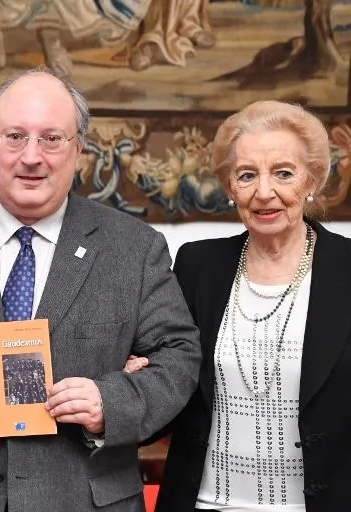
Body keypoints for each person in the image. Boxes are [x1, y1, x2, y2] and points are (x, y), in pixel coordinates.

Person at [0, 68, 202, 512]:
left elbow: (178, 356)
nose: (32, 157)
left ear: (78, 149)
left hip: (85, 500)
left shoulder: (135, 248)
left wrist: (110, 402)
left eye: (51, 138)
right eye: (14, 137)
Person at [155, 100, 351, 512]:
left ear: (312, 179)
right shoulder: (196, 266)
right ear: (230, 188)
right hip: (204, 503)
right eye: (247, 175)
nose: (264, 192)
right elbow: (171, 380)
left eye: (283, 173)